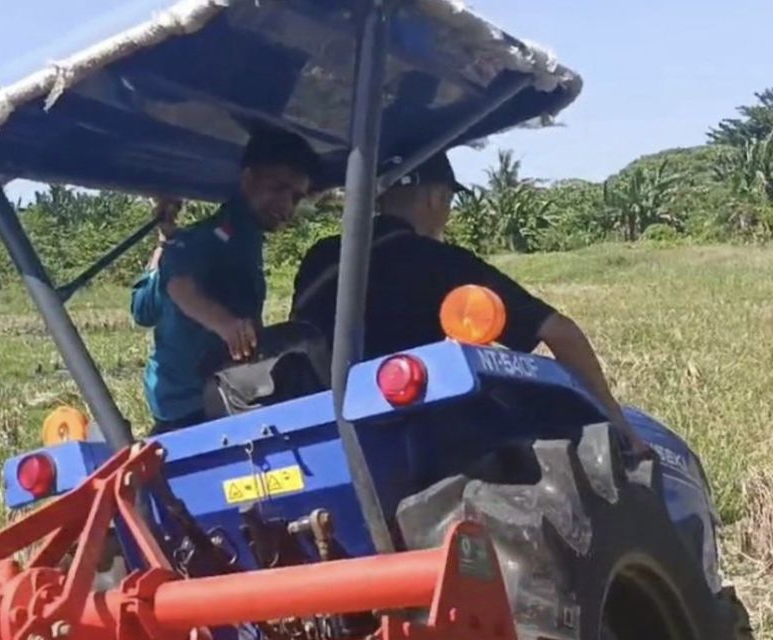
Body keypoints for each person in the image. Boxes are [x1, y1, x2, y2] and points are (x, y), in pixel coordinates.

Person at [290, 151, 650, 455]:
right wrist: (617, 423)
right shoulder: (442, 261)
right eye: (448, 200)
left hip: (322, 432)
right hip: (408, 438)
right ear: (435, 197)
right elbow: (560, 332)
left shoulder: (319, 258)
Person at [131, 127, 322, 434]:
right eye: (278, 188)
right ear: (248, 178)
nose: (287, 205)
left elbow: (149, 304)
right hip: (192, 404)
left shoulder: (236, 240)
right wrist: (225, 324)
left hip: (221, 393)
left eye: (296, 197)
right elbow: (177, 290)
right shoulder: (213, 237)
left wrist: (167, 241)